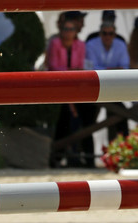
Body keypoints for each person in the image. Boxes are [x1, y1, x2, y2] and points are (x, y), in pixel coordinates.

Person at [45, 17, 87, 168]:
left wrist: (70, 72)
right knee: (62, 122)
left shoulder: (80, 45)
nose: (68, 32)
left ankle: (74, 155)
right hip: (57, 88)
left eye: (71, 29)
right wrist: (72, 72)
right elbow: (54, 67)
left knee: (80, 120)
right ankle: (56, 156)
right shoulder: (54, 43)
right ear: (61, 30)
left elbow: (80, 67)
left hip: (75, 88)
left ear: (76, 31)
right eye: (65, 29)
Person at [83, 16, 131, 146]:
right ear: (100, 33)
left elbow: (125, 67)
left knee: (121, 116)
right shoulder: (91, 44)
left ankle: (125, 150)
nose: (107, 36)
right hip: (94, 88)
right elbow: (90, 68)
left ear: (115, 34)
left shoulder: (120, 45)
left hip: (114, 89)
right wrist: (113, 69)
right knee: (88, 120)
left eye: (110, 33)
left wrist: (106, 70)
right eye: (104, 33)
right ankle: (88, 159)